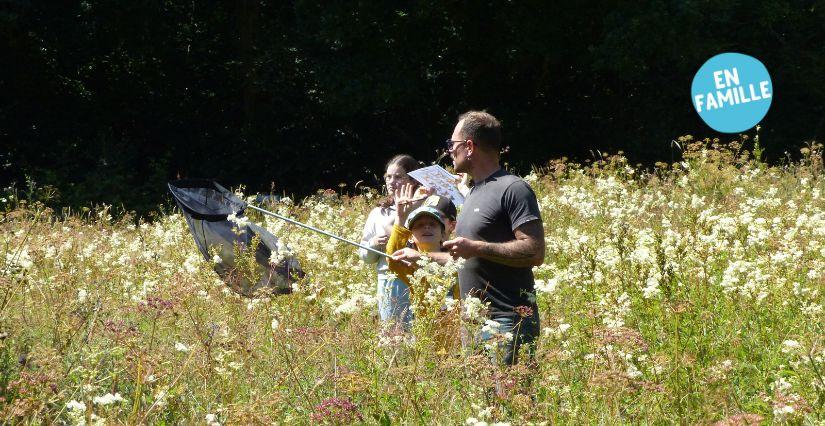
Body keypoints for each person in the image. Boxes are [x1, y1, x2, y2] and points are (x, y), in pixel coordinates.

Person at [392, 111, 545, 365]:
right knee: (483, 403)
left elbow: (534, 251)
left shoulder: (513, 188)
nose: (449, 151)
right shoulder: (473, 193)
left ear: (469, 147)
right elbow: (464, 258)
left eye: (452, 145)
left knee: (509, 402)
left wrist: (476, 247)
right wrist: (423, 258)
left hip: (507, 320)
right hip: (472, 324)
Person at [359, 154, 420, 327]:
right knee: (394, 335)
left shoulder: (425, 208)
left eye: (398, 177)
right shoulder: (378, 213)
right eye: (388, 177)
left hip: (420, 278)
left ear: (413, 180)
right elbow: (365, 257)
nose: (391, 182)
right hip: (389, 281)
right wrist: (373, 244)